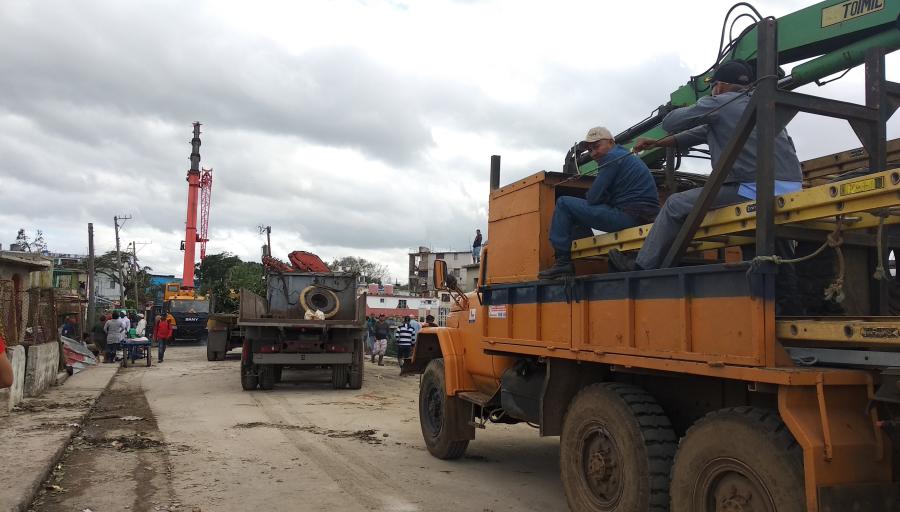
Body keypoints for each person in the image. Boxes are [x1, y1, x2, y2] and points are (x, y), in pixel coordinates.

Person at [608, 60, 803, 272]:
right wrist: (657, 143)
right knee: (775, 253)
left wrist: (678, 108)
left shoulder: (720, 102)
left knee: (674, 204)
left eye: (713, 86)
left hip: (754, 188)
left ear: (719, 85)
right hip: (791, 186)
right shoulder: (759, 103)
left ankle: (641, 265)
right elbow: (696, 133)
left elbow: (670, 123)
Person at [539, 126, 660, 279]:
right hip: (643, 216)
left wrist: (597, 197)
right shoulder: (625, 156)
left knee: (564, 203)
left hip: (629, 217)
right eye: (590, 150)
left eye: (596, 146)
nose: (594, 153)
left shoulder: (611, 158)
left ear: (611, 142)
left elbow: (593, 198)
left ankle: (562, 262)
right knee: (578, 211)